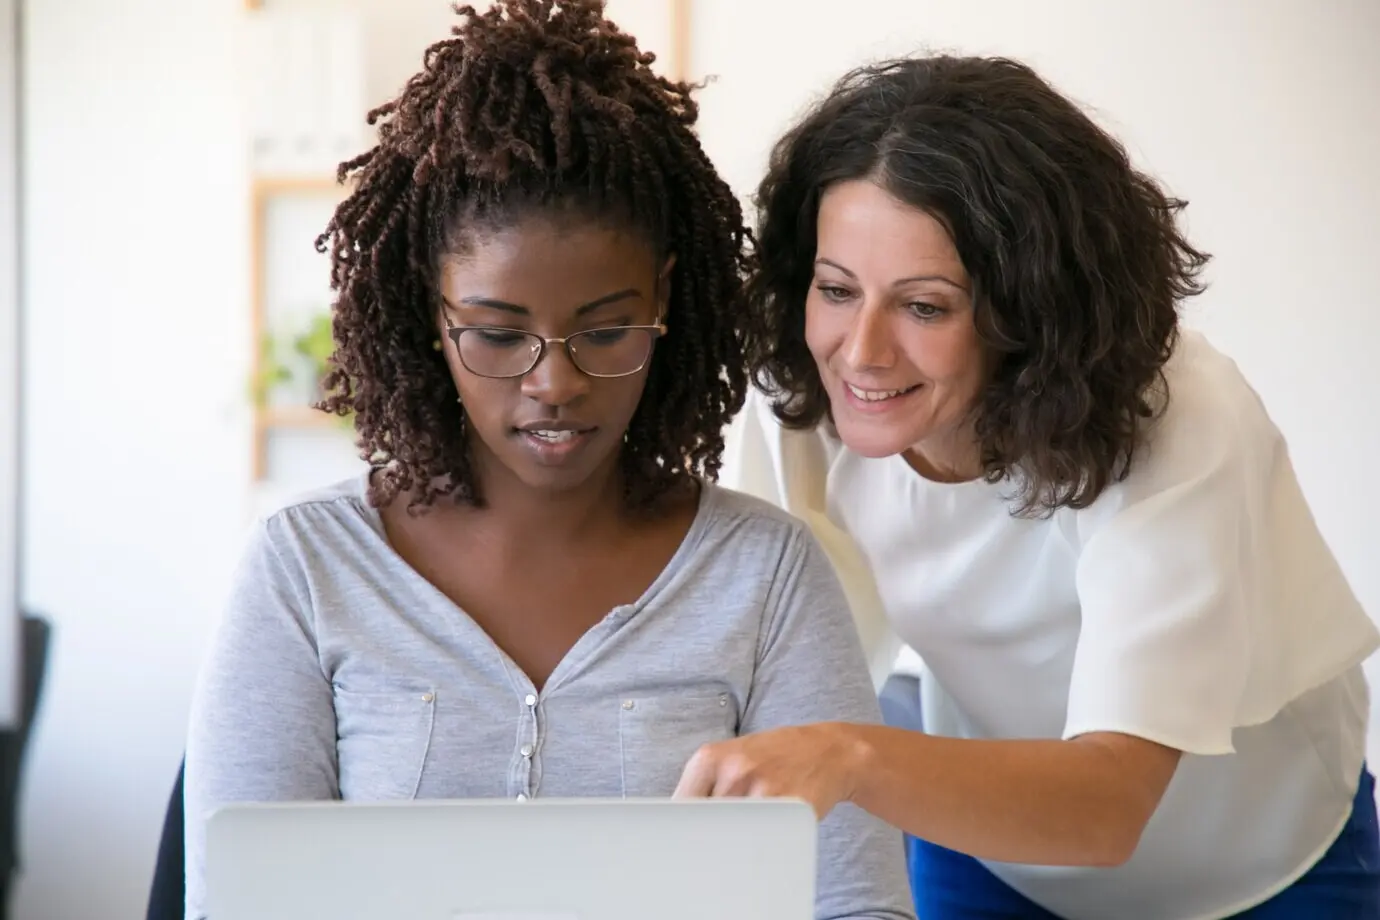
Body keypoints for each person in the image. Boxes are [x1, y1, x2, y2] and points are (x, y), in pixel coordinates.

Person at [180, 4, 915, 919]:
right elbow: (236, 902)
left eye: (606, 330)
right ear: (431, 313)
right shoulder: (306, 571)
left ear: (666, 301)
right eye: (496, 334)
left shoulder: (765, 579)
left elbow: (858, 904)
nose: (556, 383)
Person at [673, 54, 1380, 919]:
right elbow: (776, 669)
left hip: (1264, 867)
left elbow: (1108, 806)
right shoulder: (808, 401)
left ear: (1031, 308)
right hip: (993, 855)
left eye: (924, 306)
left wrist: (852, 758)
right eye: (835, 290)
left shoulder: (1180, 419)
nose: (859, 351)